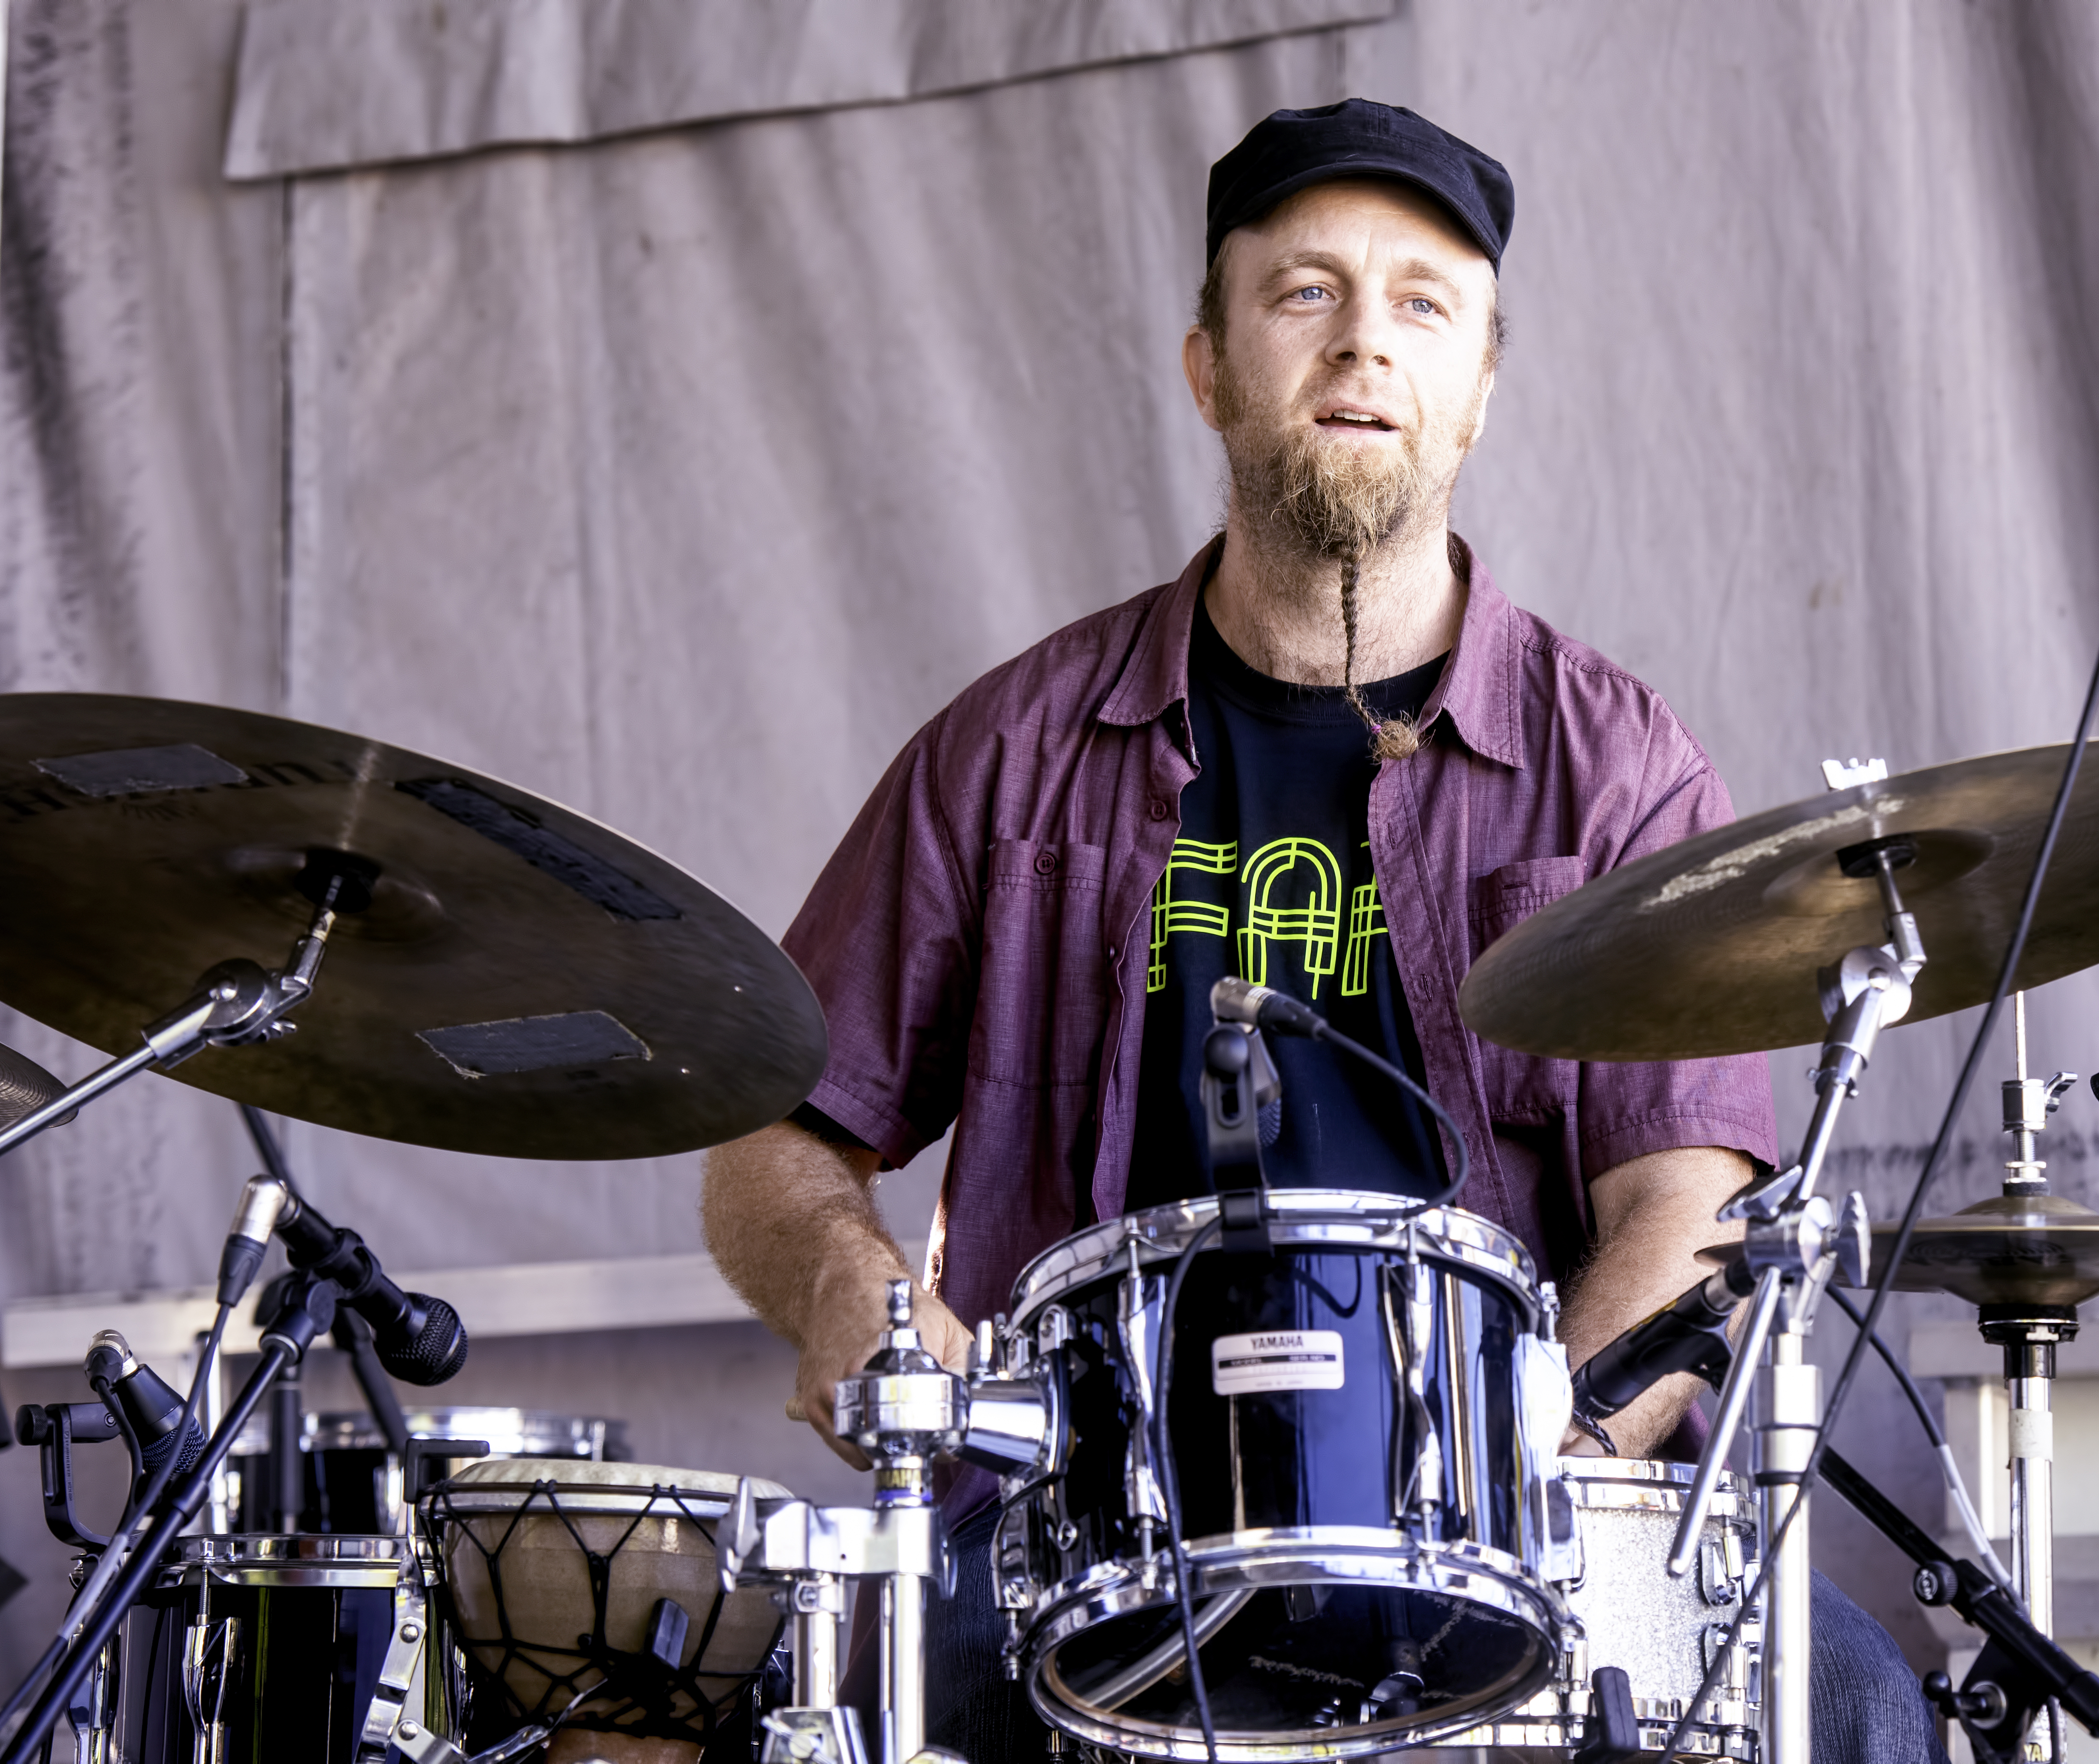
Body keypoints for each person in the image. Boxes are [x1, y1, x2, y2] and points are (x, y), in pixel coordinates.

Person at [703, 100, 1941, 1764]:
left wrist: (1529, 1463)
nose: (1364, 341)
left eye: (1421, 303)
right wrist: (844, 1279)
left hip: (1513, 1510)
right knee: (803, 1705)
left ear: (1479, 386)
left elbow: (1681, 1209)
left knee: (1849, 1700)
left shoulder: (1616, 762)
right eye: (1304, 293)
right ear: (1208, 366)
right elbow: (774, 1133)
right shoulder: (1004, 753)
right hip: (1083, 1516)